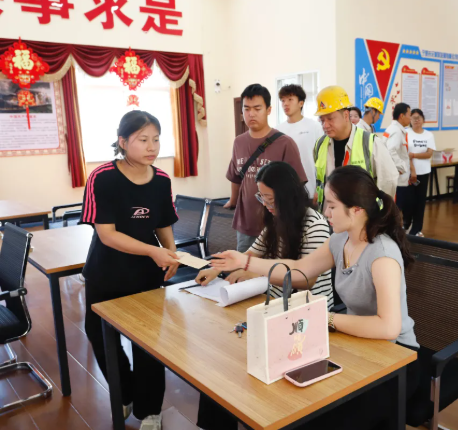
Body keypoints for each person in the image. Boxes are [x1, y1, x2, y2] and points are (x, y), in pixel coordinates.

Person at [211, 165, 419, 429]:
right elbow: (301, 269)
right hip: (357, 343)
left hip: (396, 357)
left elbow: (388, 327)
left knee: (316, 416)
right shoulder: (340, 240)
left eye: (332, 206)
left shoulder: (382, 255)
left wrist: (326, 319)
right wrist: (245, 262)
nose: (325, 213)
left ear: (357, 209)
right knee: (290, 397)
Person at [195, 162, 334, 430]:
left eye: (271, 199)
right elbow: (251, 253)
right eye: (262, 198)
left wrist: (252, 270)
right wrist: (217, 268)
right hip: (275, 312)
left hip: (304, 320)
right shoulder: (276, 220)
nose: (267, 205)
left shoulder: (314, 224)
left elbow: (306, 280)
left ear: (287, 195)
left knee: (241, 369)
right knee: (221, 366)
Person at [80, 111, 180, 430]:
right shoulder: (103, 177)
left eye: (156, 139)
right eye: (143, 139)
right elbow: (107, 234)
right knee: (98, 333)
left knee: (148, 343)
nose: (152, 147)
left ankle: (150, 411)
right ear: (123, 142)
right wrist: (153, 250)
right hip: (106, 272)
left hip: (145, 275)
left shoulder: (161, 179)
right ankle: (124, 392)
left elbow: (163, 223)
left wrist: (171, 253)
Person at [225, 84, 307, 252]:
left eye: (257, 108)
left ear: (269, 110)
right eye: (246, 109)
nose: (251, 114)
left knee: (275, 266)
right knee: (245, 265)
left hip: (277, 225)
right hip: (246, 225)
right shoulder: (239, 142)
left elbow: (297, 186)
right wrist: (233, 201)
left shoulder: (285, 143)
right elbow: (236, 178)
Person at [313, 85, 399, 212]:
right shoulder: (320, 144)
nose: (325, 125)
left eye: (330, 119)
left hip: (360, 219)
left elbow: (389, 181)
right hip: (329, 217)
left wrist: (379, 213)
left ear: (346, 115)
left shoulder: (371, 143)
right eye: (322, 120)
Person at [277, 84, 323, 199]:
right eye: (283, 100)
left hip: (311, 190)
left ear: (301, 103)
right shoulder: (277, 131)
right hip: (286, 192)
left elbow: (322, 160)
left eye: (290, 99)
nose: (285, 104)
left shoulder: (314, 127)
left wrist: (319, 189)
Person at [400, 108, 436, 236]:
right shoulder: (405, 132)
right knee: (408, 201)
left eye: (419, 118)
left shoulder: (428, 135)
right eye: (413, 118)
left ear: (423, 120)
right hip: (407, 173)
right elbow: (404, 154)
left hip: (424, 172)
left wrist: (414, 155)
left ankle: (417, 229)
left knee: (420, 202)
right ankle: (406, 224)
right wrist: (412, 167)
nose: (416, 120)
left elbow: (429, 154)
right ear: (410, 120)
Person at [383, 103, 417, 208]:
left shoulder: (394, 128)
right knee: (396, 209)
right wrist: (401, 167)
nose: (410, 118)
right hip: (397, 180)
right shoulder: (396, 131)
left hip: (398, 179)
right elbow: (391, 150)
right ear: (402, 116)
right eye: (409, 115)